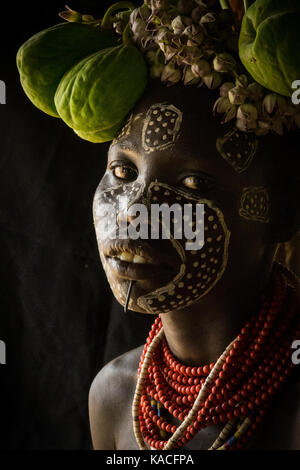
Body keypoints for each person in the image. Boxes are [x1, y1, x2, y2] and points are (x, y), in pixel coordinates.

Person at [88, 81, 300, 450]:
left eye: (194, 183)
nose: (133, 213)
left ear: (283, 214)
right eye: (123, 172)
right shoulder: (113, 395)